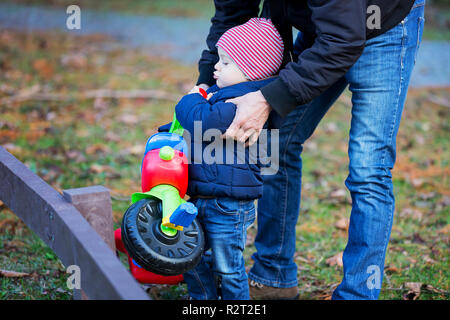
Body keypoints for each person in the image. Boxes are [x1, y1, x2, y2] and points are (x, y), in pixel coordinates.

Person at [194, 0, 425, 299]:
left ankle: (357, 294)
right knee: (275, 143)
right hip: (326, 31)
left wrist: (267, 98)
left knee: (369, 169)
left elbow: (344, 39)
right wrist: (203, 84)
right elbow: (233, 14)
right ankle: (273, 277)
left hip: (384, 26)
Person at [159, 18, 284, 299]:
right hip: (203, 196)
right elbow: (197, 131)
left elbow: (202, 121)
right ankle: (202, 299)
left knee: (228, 267)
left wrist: (188, 99)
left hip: (229, 204)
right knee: (190, 255)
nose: (216, 66)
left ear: (251, 70)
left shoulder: (242, 105)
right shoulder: (220, 96)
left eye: (226, 62)